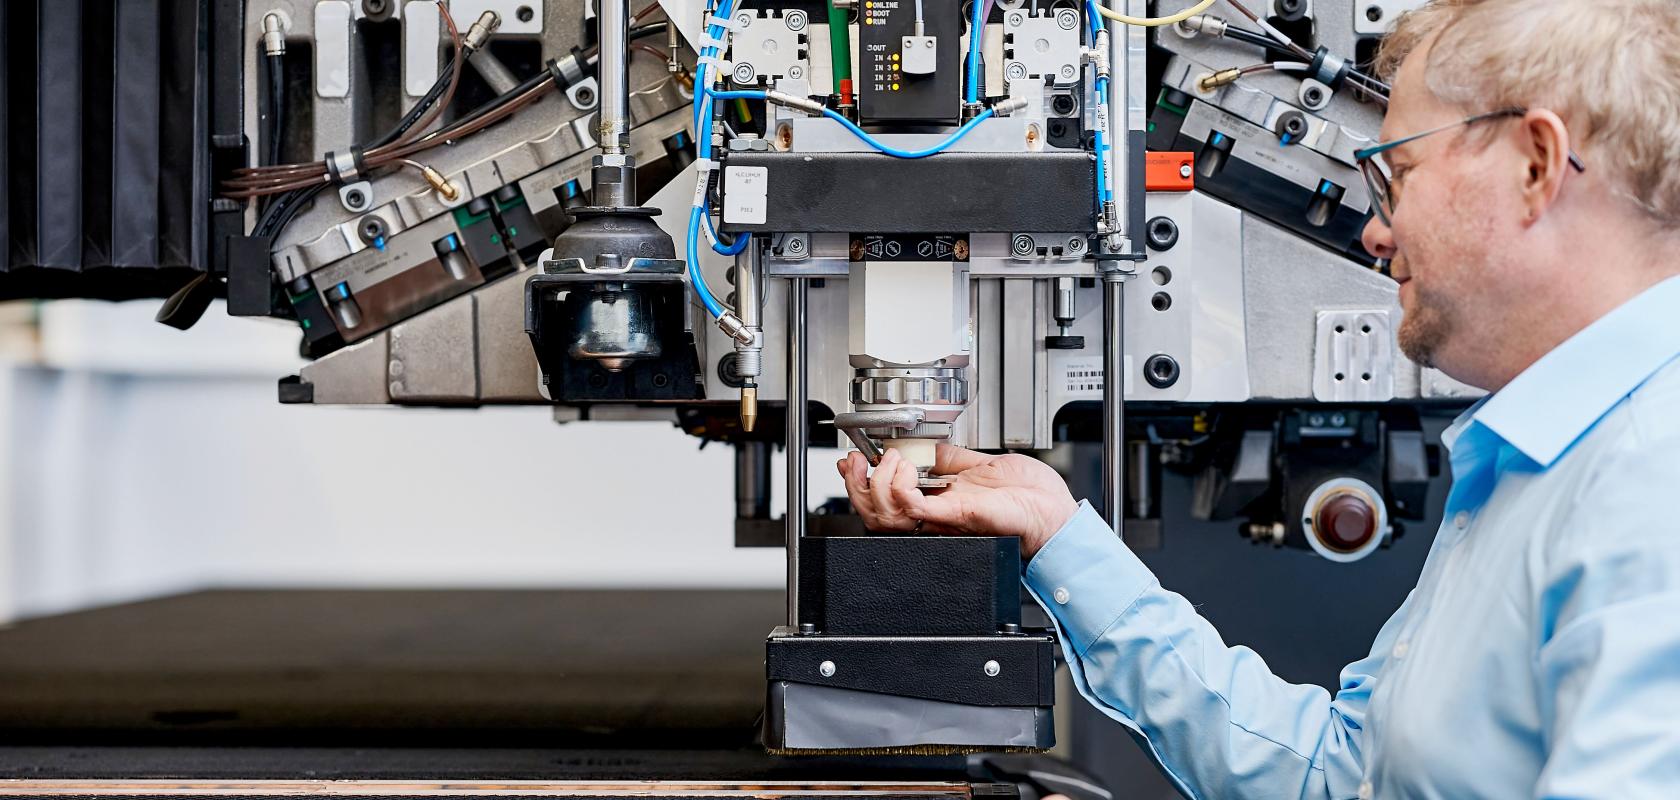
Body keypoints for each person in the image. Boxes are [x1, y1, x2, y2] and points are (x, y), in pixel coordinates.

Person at [839, 0, 1680, 796]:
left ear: (1536, 164)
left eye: (1396, 174)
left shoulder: (1647, 490)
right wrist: (1057, 536)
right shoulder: (1532, 470)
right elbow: (1335, 777)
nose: (1375, 230)